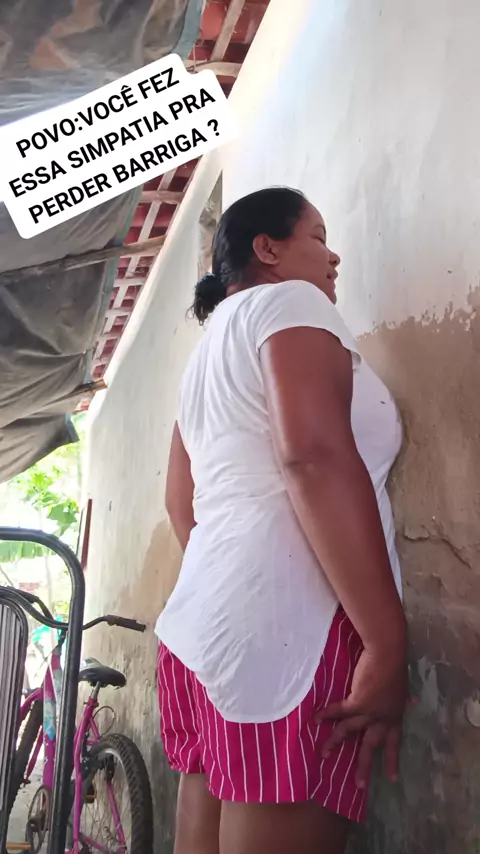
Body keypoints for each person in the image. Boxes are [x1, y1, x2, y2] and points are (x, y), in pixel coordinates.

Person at [155, 187, 408, 854]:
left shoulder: (204, 358)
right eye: (318, 237)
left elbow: (181, 503)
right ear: (267, 249)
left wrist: (232, 590)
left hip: (198, 627)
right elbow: (312, 456)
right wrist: (386, 642)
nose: (333, 256)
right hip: (286, 630)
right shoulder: (291, 302)